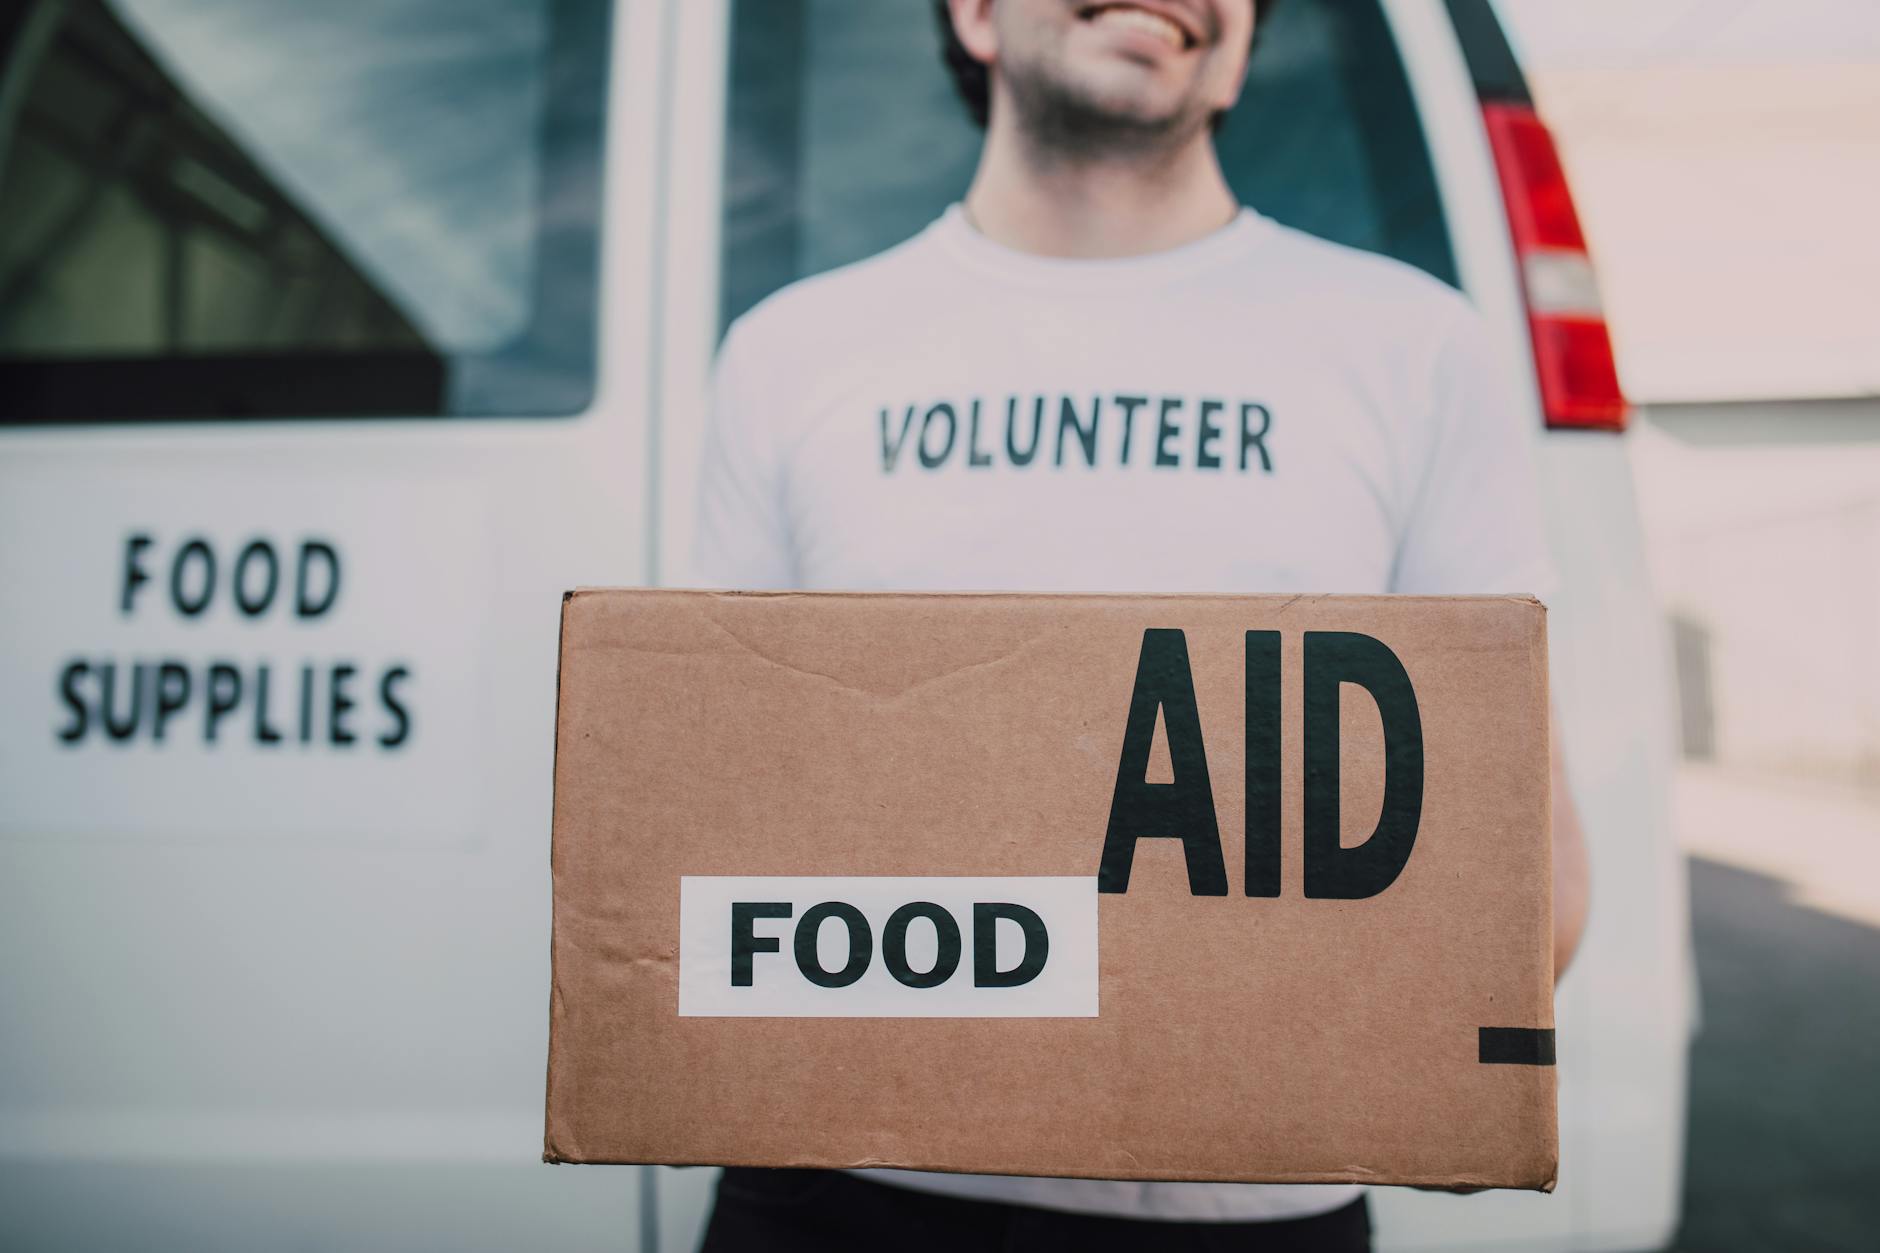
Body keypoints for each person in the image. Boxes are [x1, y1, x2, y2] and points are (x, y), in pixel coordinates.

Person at [691, 0, 1591, 1247]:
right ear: (974, 14)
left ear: (1233, 51)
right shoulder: (788, 355)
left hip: (1244, 1208)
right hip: (844, 1189)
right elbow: (716, 808)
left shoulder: (1413, 348)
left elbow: (1524, 855)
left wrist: (1407, 1062)